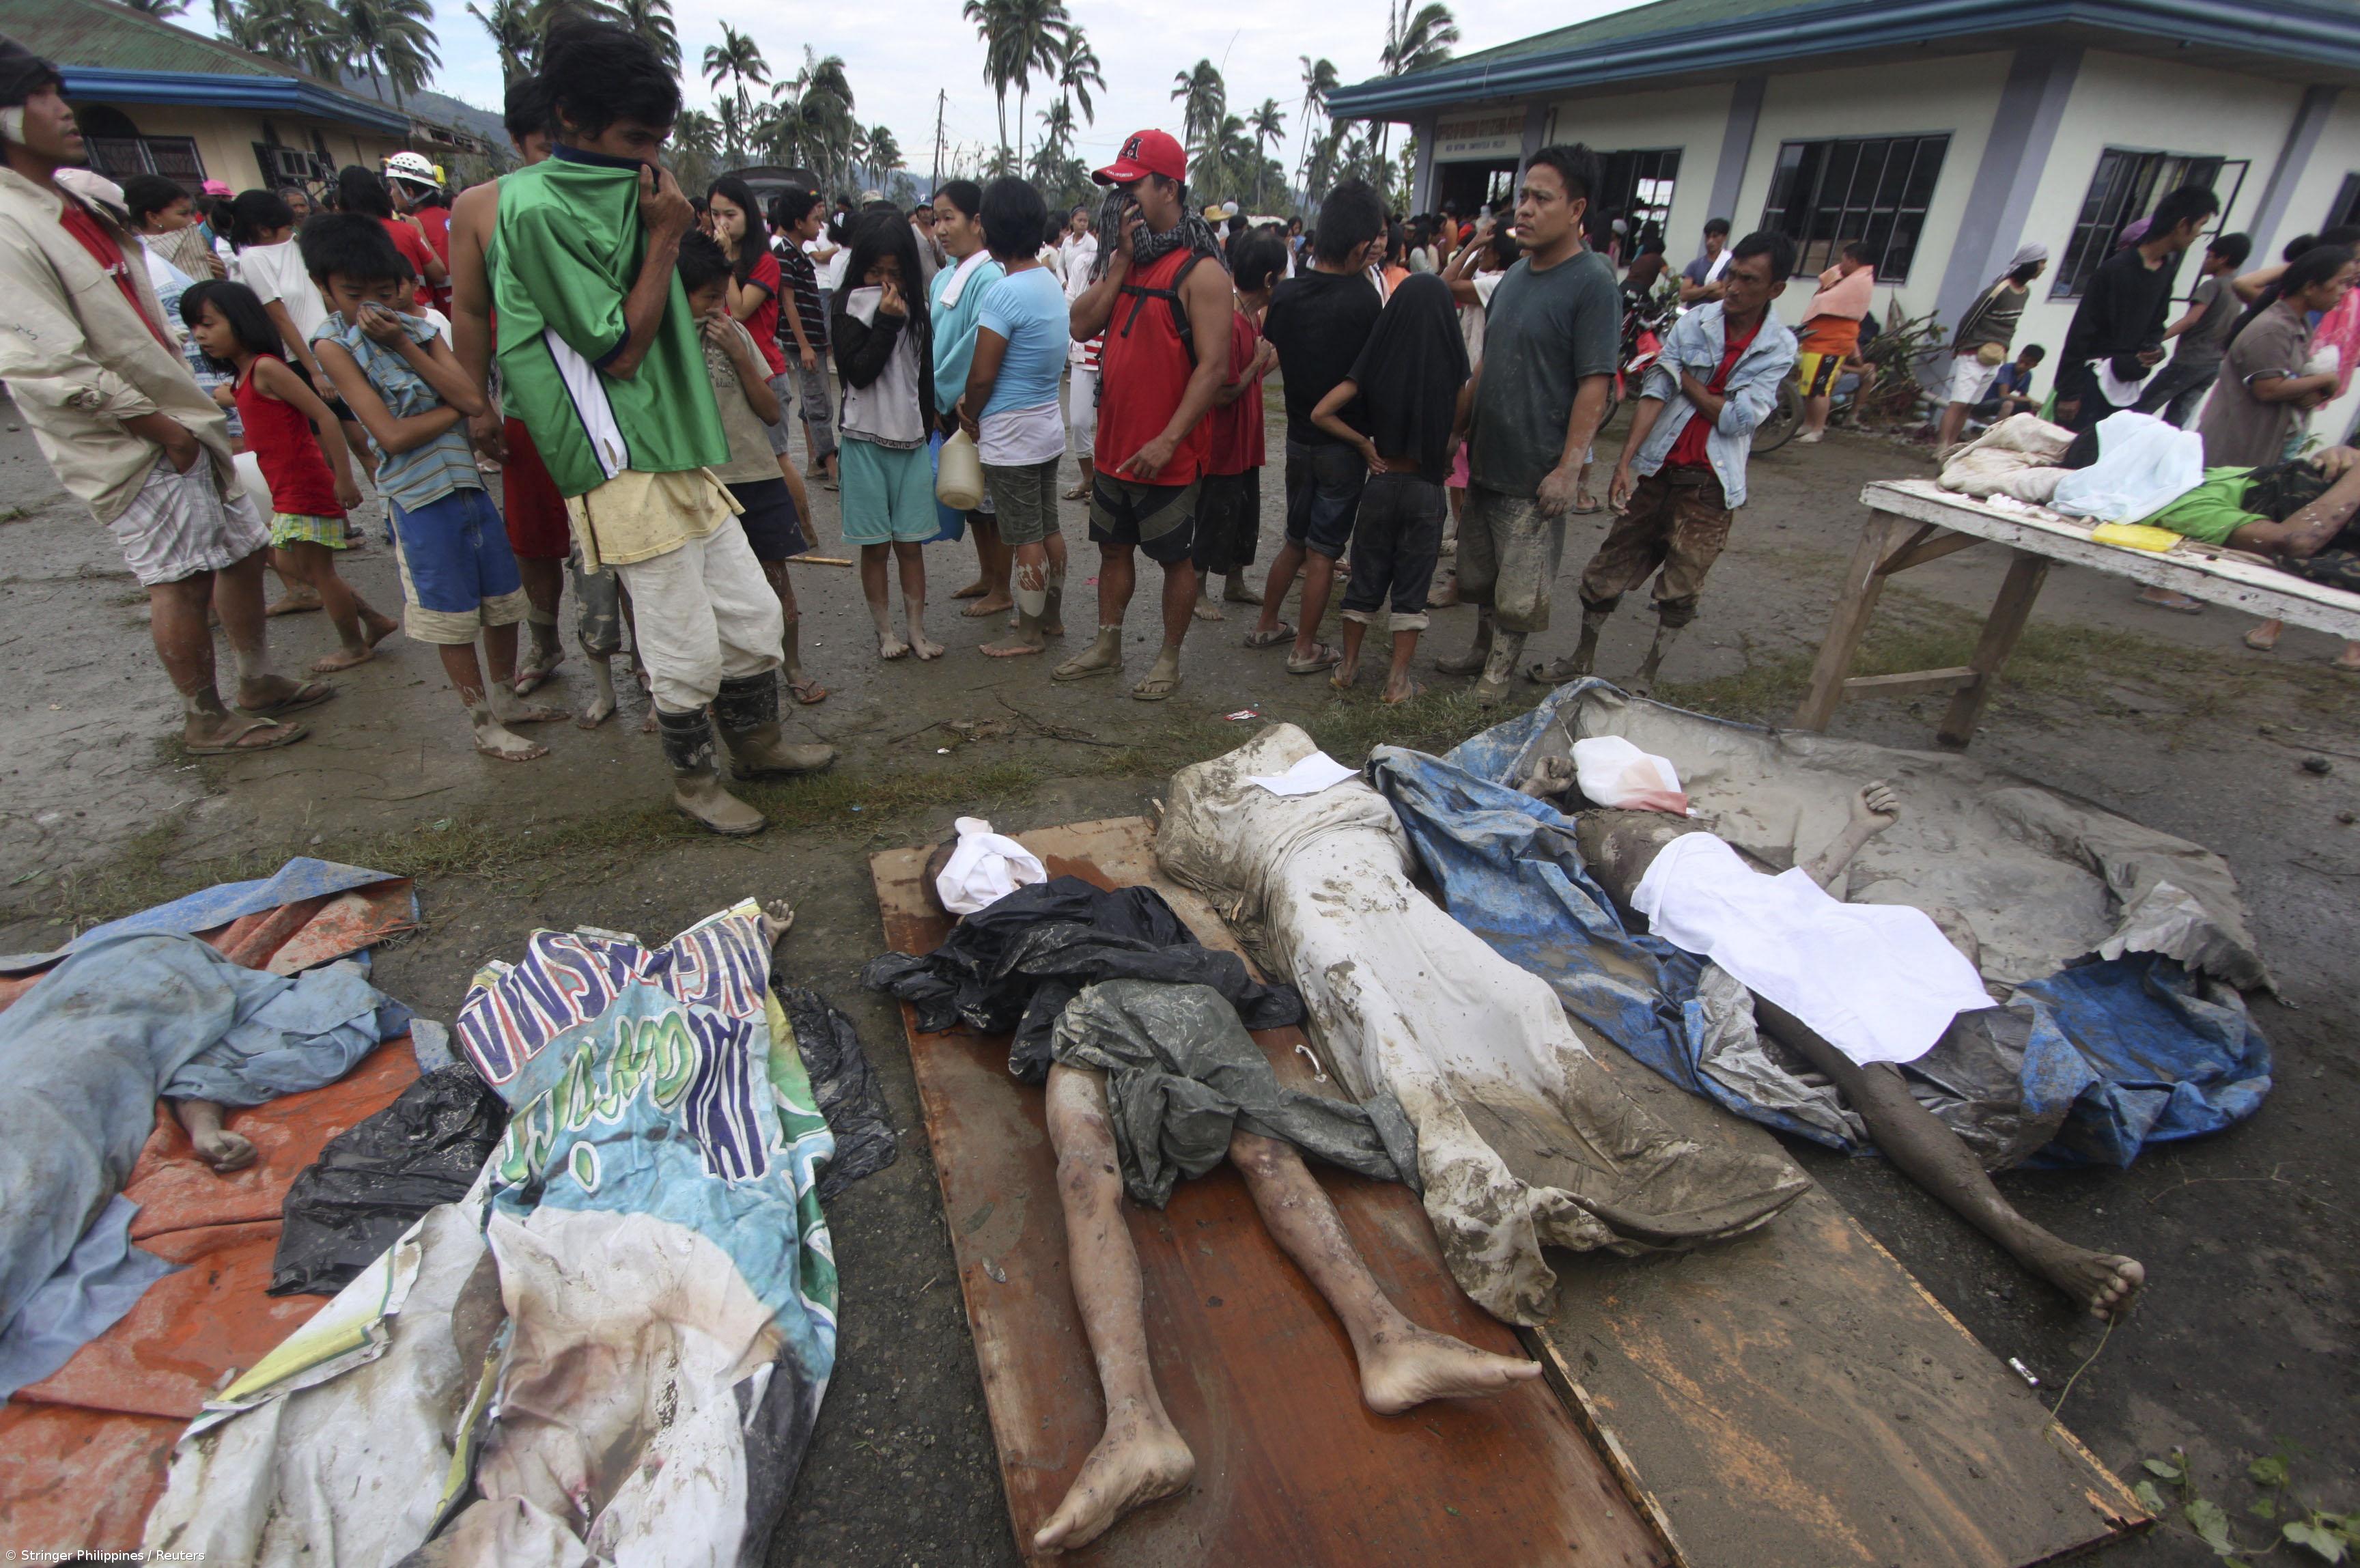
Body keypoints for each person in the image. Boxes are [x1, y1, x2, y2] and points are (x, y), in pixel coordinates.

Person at [905, 843, 1542, 1556]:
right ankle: (1135, 1425)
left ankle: (1390, 1339)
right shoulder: (990, 937)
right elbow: (980, 1002)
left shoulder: (1106, 902)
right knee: (1085, 1175)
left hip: (1179, 1013)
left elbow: (1187, 958)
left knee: (1264, 1146)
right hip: (1081, 1035)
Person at [1561, 783, 2143, 1321]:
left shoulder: (1695, 831)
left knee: (1931, 938)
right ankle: (2028, 1240)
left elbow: (1790, 890)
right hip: (1758, 952)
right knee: (1869, 1073)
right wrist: (1546, 790)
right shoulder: (1585, 832)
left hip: (1805, 922)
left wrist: (1858, 828)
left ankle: (1956, 1037)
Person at [490, 21, 832, 830]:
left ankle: (759, 743)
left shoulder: (638, 187)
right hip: (617, 457)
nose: (647, 156)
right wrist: (669, 235)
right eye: (633, 139)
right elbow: (618, 350)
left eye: (656, 140)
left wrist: (673, 225)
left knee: (751, 614)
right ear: (569, 119)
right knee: (682, 639)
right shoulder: (535, 207)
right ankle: (695, 784)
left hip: (675, 445)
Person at [0, 37, 323, 754]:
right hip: (131, 438)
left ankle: (256, 680)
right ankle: (204, 718)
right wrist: (161, 430)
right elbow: (47, 366)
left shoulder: (77, 198)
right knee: (179, 577)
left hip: (180, 414)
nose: (63, 110)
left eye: (57, 92)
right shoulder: (9, 223)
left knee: (240, 549)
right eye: (38, 97)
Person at [304, 213, 563, 760]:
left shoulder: (416, 331)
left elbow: (473, 399)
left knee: (500, 600)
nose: (372, 307)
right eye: (354, 294)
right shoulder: (332, 346)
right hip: (418, 498)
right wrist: (455, 407)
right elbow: (393, 436)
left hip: (466, 485)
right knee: (451, 616)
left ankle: (504, 701)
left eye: (384, 292)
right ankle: (482, 723)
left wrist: (404, 344)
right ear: (324, 287)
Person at [1577, 231, 1799, 691]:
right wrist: (1626, 462)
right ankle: (1579, 659)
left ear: (1775, 289)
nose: (1734, 287)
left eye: (1750, 280)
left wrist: (1685, 378)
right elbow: (1656, 391)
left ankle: (1647, 675)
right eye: (1732, 275)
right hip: (1660, 472)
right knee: (1607, 568)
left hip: (1711, 486)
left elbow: (1738, 420)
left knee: (1682, 585)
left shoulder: (1778, 346)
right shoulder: (1695, 322)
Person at [1056, 128, 1233, 701]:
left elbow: (1214, 368)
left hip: (1168, 454)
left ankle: (1168, 659)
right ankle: (1108, 646)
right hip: (1114, 444)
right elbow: (1081, 324)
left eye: (1133, 186)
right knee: (1113, 550)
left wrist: (1169, 440)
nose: (1121, 199)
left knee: (1176, 559)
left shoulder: (1202, 273)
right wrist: (1120, 266)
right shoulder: (1123, 259)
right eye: (1118, 187)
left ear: (1169, 189)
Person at [1440, 145, 1620, 700]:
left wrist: (1569, 469)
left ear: (1576, 209)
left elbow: (1595, 382)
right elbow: (1488, 362)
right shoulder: (1515, 275)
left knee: (1521, 582)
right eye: (1523, 196)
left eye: (1542, 199)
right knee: (1481, 572)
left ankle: (1499, 672)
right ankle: (1480, 649)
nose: (1524, 209)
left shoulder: (1592, 282)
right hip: (1489, 455)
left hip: (1535, 467)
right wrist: (1457, 427)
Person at [181, 279, 395, 672]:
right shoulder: (245, 375)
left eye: (208, 324)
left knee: (319, 571)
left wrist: (344, 478)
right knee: (293, 565)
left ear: (241, 321)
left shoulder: (266, 368)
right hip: (284, 488)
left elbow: (325, 416)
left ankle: (354, 645)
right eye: (194, 326)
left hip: (304, 484)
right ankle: (372, 618)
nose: (199, 335)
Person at [448, 74, 578, 702]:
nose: (557, 163)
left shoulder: (607, 193)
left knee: (625, 535)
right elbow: (470, 311)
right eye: (544, 148)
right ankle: (546, 640)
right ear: (517, 142)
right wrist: (478, 405)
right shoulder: (479, 207)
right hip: (530, 404)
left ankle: (642, 655)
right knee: (534, 540)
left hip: (612, 402)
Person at [1244, 179, 1386, 675]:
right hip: (1344, 447)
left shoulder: (1286, 294)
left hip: (1299, 439)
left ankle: (1267, 623)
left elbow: (1273, 354)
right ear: (1360, 246)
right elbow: (1371, 377)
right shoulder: (1365, 302)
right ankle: (1304, 648)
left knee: (1295, 538)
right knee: (1324, 550)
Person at [678, 231, 826, 703]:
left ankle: (793, 666)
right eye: (707, 298)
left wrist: (741, 357)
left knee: (776, 577)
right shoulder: (663, 343)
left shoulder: (734, 334)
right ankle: (711, 683)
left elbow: (770, 412)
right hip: (700, 483)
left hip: (755, 475)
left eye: (722, 296)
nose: (718, 308)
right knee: (702, 589)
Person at [1310, 272, 1470, 703]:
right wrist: (1450, 440)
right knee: (1412, 588)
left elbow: (1322, 413)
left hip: (1381, 484)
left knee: (1365, 577)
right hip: (1426, 490)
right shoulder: (1456, 376)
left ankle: (1347, 667)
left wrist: (1364, 445)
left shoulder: (1375, 362)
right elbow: (1460, 428)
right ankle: (1398, 681)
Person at [956, 176, 1072, 658]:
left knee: (1025, 536)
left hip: (1012, 434)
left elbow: (983, 374)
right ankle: (1051, 618)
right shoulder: (1048, 281)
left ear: (992, 228)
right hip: (1046, 424)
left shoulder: (1003, 293)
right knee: (1048, 528)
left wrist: (968, 412)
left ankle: (1027, 633)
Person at [835, 208, 944, 660]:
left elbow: (924, 374)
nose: (885, 282)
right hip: (863, 441)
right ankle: (886, 634)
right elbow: (858, 373)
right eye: (875, 271)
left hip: (911, 442)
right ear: (860, 266)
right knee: (876, 548)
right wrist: (884, 324)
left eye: (895, 273)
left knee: (911, 546)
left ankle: (916, 631)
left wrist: (930, 425)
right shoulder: (848, 306)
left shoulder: (919, 309)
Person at [2055, 185, 2219, 432]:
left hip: (2128, 381)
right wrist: (2069, 392)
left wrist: (2154, 348)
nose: (2199, 234)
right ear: (2182, 224)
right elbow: (2081, 332)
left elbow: (2156, 324)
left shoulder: (2165, 271)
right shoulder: (2115, 270)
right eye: (2200, 225)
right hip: (2093, 381)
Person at [929, 178, 1012, 619]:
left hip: (972, 403)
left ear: (977, 222)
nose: (941, 229)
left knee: (993, 504)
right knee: (973, 497)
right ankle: (986, 575)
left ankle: (1002, 587)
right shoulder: (945, 275)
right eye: (936, 219)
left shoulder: (989, 276)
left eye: (950, 218)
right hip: (946, 401)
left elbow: (973, 347)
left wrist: (942, 394)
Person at [1192, 228, 1282, 622]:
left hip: (1246, 440)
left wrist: (1272, 355)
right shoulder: (1227, 321)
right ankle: (1196, 590)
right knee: (1214, 512)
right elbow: (1222, 393)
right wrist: (1258, 361)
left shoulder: (1251, 316)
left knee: (1245, 511)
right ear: (1269, 279)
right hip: (1223, 441)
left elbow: (1255, 372)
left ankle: (1235, 581)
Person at [2197, 244, 2350, 468]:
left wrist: (2313, 392)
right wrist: (2329, 379)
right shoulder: (2273, 328)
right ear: (2310, 287)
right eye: (2342, 282)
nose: (2345, 291)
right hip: (2231, 452)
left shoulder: (2299, 325)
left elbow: (2290, 381)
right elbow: (2268, 389)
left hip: (2259, 448)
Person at [1936, 243, 2047, 450]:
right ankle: (1941, 446)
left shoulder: (2025, 293)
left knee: (1969, 406)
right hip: (1974, 354)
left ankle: (1951, 447)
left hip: (1995, 357)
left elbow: (2011, 326)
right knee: (1958, 403)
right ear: (2030, 263)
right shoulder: (1999, 290)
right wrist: (1958, 345)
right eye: (2041, 262)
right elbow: (1970, 318)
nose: (2044, 267)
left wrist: (2005, 351)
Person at [2135, 232, 2252, 428]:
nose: (2205, 262)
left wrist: (2156, 339)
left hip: (2190, 360)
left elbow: (2190, 320)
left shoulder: (2212, 286)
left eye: (2209, 257)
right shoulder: (2237, 290)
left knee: (2141, 408)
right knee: (2176, 420)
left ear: (2223, 259)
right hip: (2212, 365)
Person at [771, 187, 839, 505]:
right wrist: (805, 345)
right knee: (818, 403)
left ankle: (816, 462)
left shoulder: (798, 253)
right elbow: (788, 302)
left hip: (813, 340)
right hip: (805, 343)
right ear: (798, 222)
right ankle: (833, 469)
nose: (819, 224)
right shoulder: (785, 254)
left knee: (812, 401)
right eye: (814, 219)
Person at [225, 188, 329, 384]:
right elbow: (280, 317)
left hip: (329, 347)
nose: (293, 231)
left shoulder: (296, 246)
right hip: (301, 359)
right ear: (264, 230)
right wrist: (314, 371)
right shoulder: (254, 258)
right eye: (288, 228)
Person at [1793, 242, 1874, 444]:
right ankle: (1808, 423)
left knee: (1820, 388)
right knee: (1808, 386)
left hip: (1831, 343)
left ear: (1852, 261)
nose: (1840, 264)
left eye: (1843, 260)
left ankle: (1818, 428)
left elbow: (1822, 300)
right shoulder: (1848, 279)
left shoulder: (1859, 281)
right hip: (1818, 339)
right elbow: (1826, 284)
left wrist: (1828, 285)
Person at [336, 163, 445, 309]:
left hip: (374, 316)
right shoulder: (406, 230)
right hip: (420, 314)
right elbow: (438, 274)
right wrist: (420, 232)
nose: (392, 193)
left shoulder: (341, 240)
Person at [1060, 206, 1104, 501]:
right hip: (1083, 348)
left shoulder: (1133, 266)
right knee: (1078, 421)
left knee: (1112, 424)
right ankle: (1089, 477)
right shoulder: (1084, 263)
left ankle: (1105, 486)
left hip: (1116, 353)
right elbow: (1070, 302)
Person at [384, 151, 449, 308]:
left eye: (393, 187)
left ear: (409, 192)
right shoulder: (455, 215)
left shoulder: (409, 228)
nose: (391, 194)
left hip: (443, 313)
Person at [1979, 344, 2044, 421]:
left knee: (2030, 407)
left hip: (1998, 403)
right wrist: (2028, 400)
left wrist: (2033, 403)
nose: (2022, 366)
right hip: (1984, 402)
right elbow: (2003, 395)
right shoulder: (2007, 369)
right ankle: (1997, 427)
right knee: (2008, 404)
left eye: (2027, 364)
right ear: (2020, 356)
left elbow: (2024, 396)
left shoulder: (2027, 375)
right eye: (2021, 361)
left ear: (2034, 365)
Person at [1677, 217, 1731, 307]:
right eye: (1708, 237)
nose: (1710, 241)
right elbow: (1683, 295)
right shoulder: (1694, 265)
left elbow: (1723, 294)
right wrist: (1710, 288)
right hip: (1692, 313)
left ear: (1724, 237)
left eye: (1715, 236)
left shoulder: (1729, 263)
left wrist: (1696, 290)